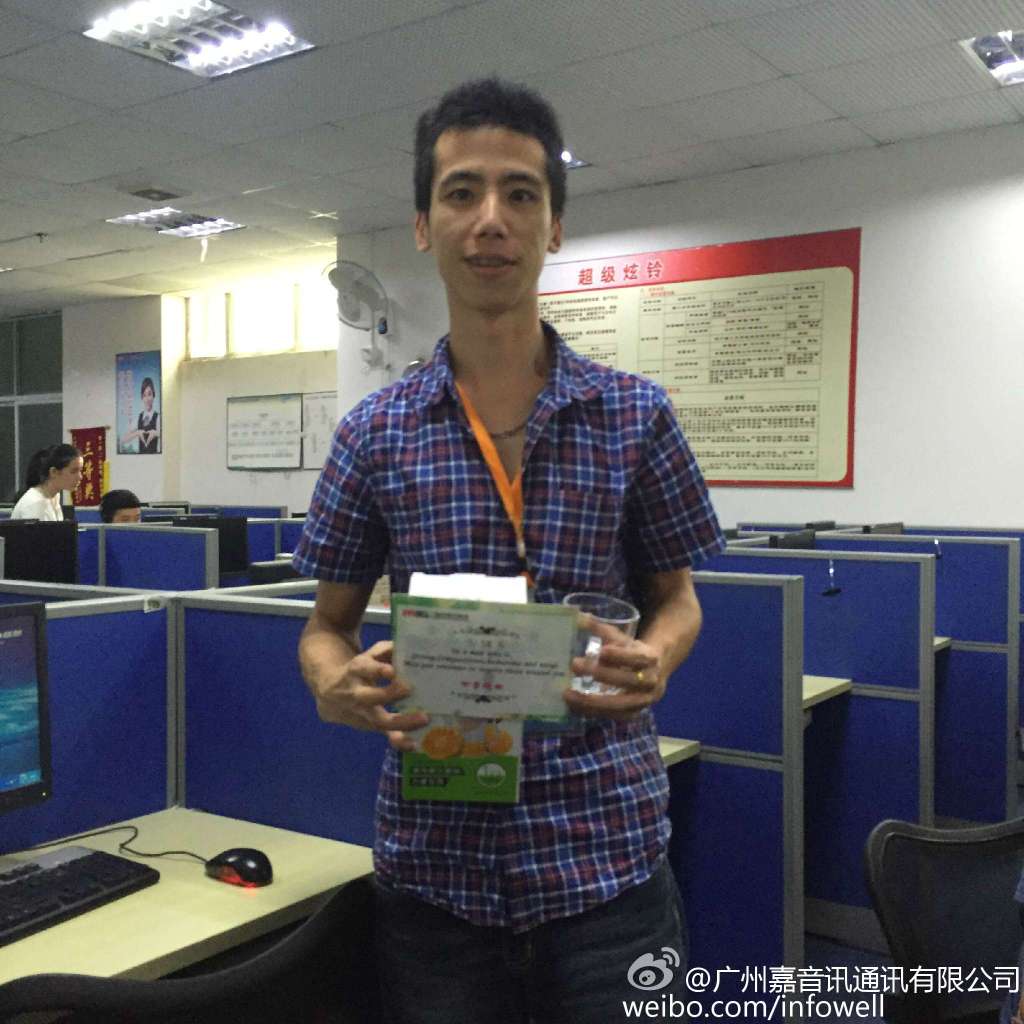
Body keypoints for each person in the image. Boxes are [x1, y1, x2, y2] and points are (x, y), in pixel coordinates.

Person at [293, 77, 724, 1023]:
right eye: (462, 192)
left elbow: (679, 600)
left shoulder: (634, 415)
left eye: (520, 193)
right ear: (423, 224)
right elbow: (324, 627)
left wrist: (659, 657)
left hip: (605, 864)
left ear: (553, 226)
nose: (491, 219)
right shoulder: (374, 433)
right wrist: (332, 683)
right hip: (436, 880)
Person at [10, 445, 83, 521]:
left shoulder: (54, 496)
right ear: (53, 472)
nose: (80, 477)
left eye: (80, 470)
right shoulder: (35, 504)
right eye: (73, 471)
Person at [120, 377, 159, 454]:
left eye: (149, 394)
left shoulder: (158, 417)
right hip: (140, 458)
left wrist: (156, 433)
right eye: (144, 395)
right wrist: (137, 433)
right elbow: (123, 439)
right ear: (142, 398)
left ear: (153, 395)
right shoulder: (139, 418)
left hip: (154, 458)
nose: (147, 399)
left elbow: (166, 435)